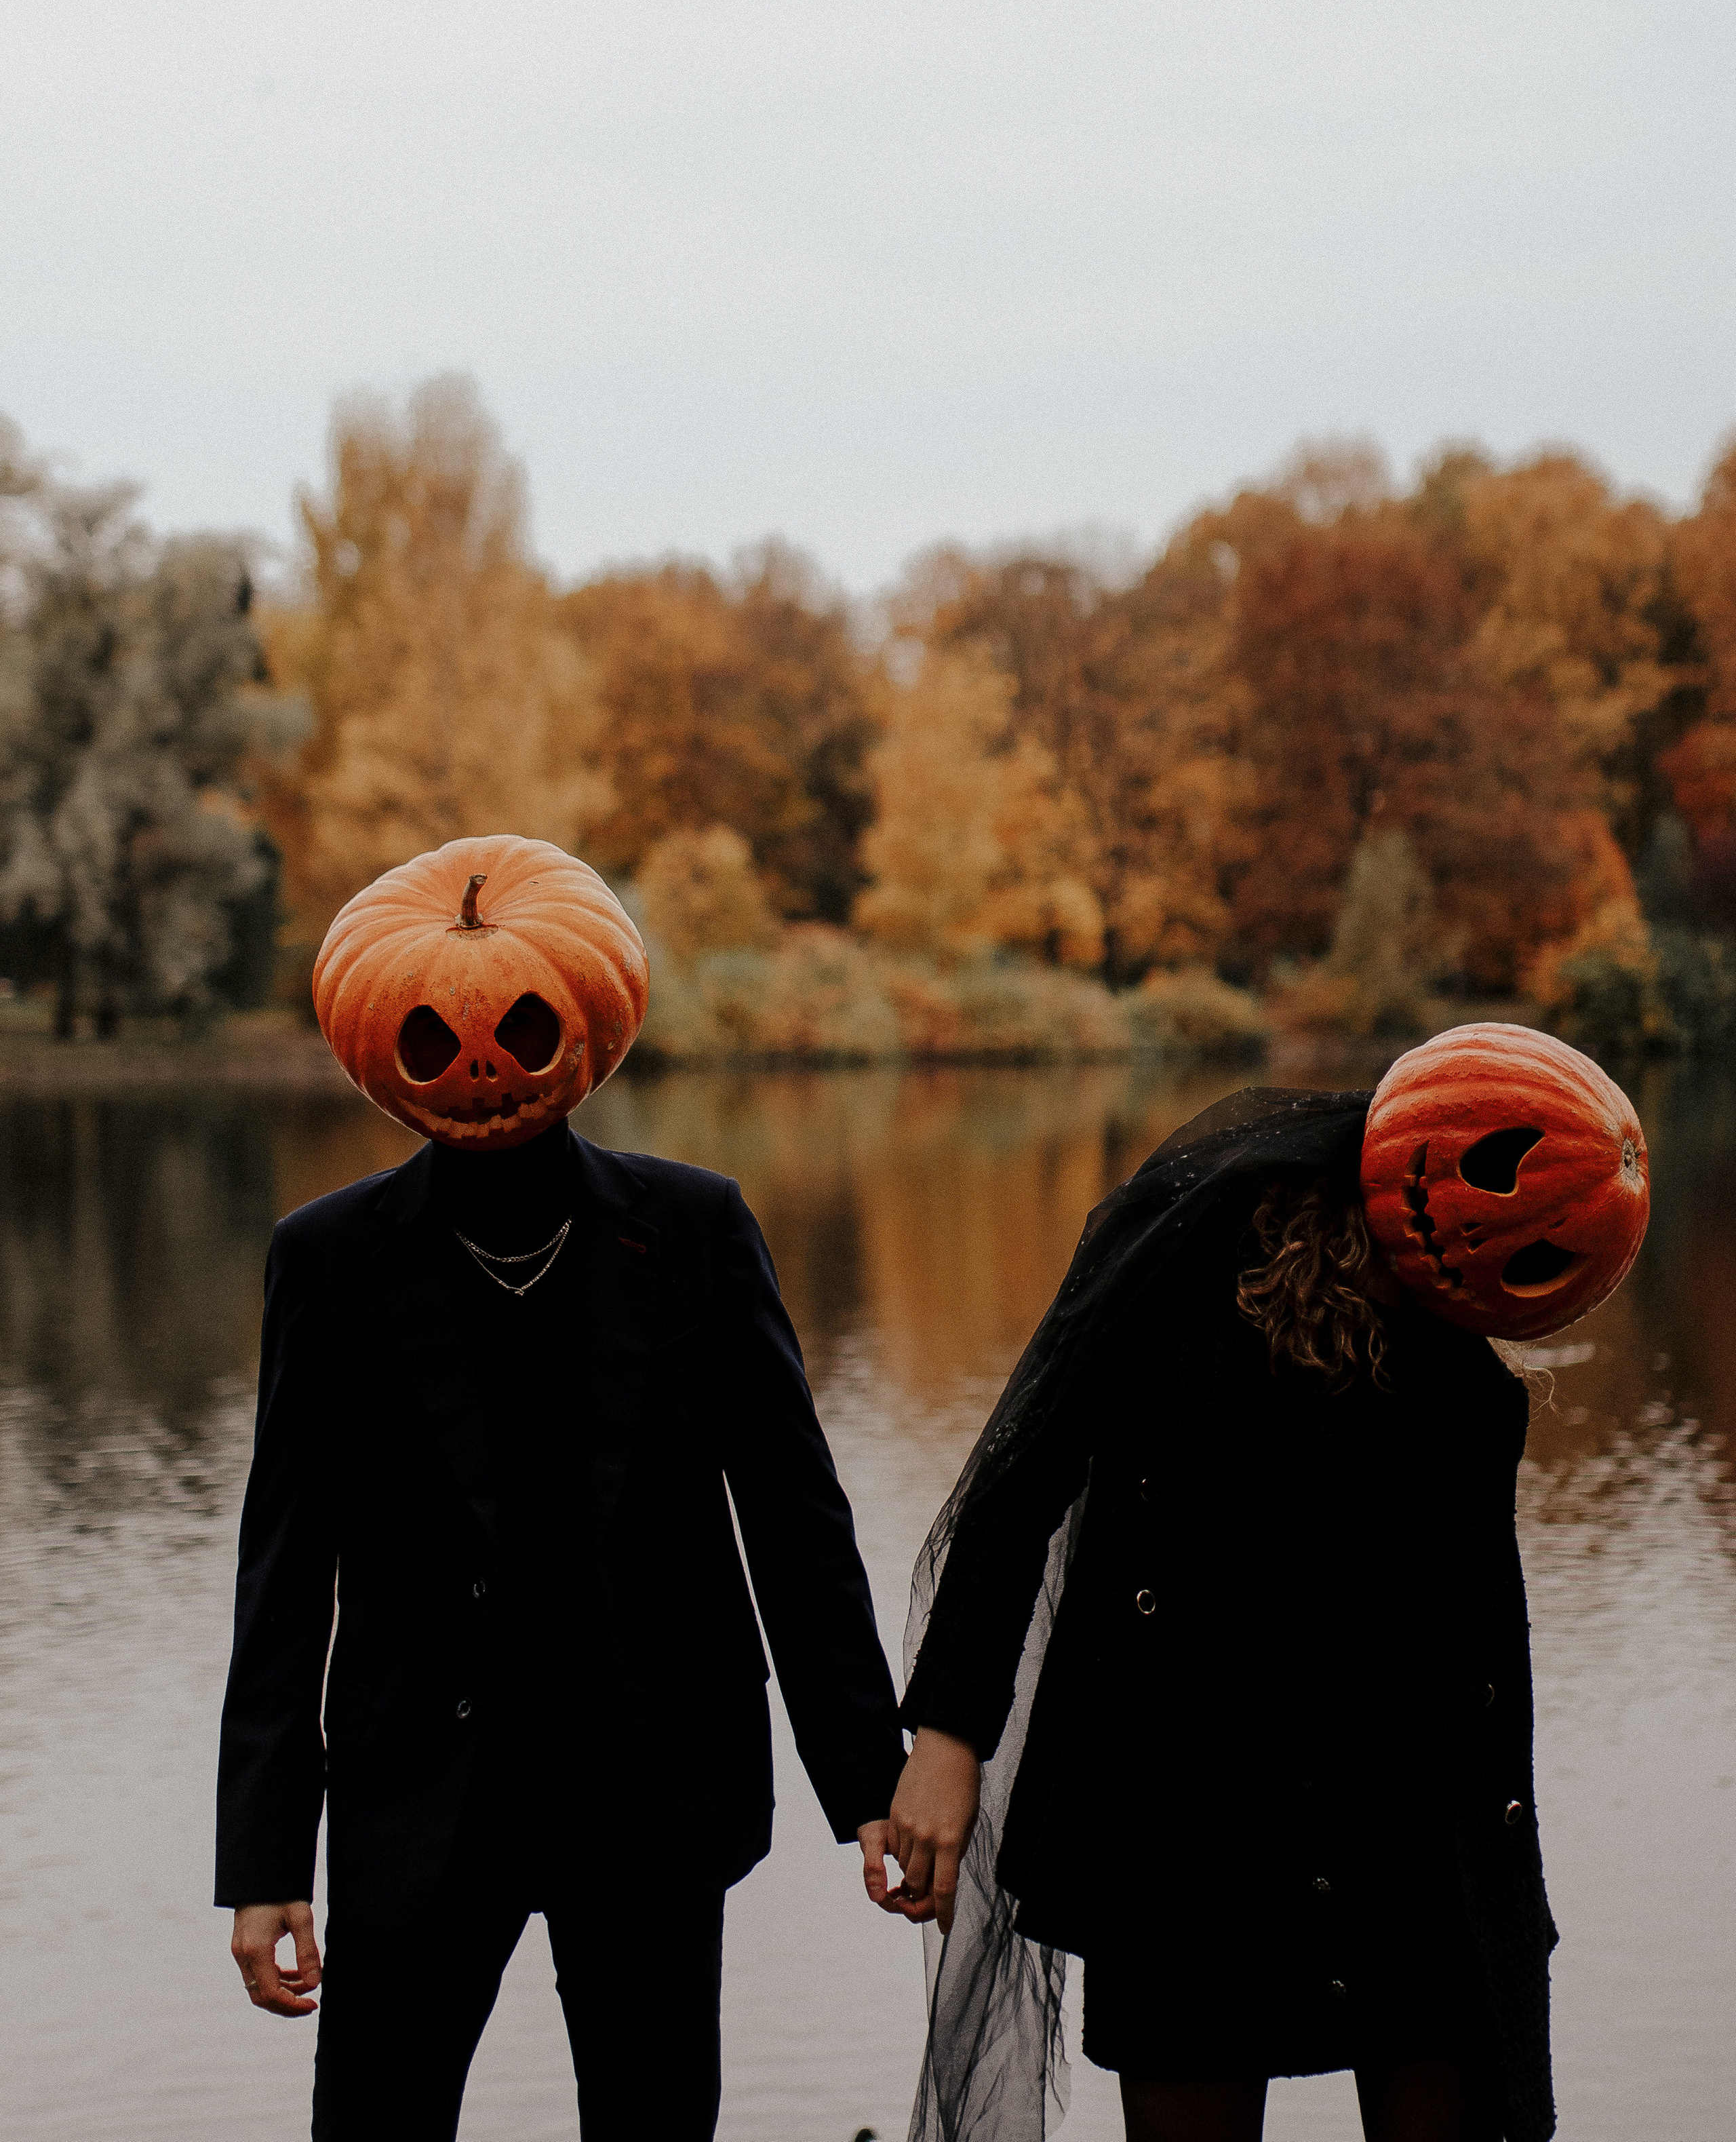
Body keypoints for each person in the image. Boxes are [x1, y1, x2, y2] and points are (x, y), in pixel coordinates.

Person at [217, 838, 906, 2141]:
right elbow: (285, 1572)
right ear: (381, 1050)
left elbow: (795, 1519)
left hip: (649, 1793)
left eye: (522, 1029)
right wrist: (263, 1860)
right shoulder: (328, 1260)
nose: (483, 1066)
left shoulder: (696, 1231)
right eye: (437, 1041)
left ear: (589, 1023)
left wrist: (869, 1775)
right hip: (418, 1801)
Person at [878, 1084, 1569, 2142]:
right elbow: (1018, 1487)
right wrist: (949, 1735)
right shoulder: (1186, 1275)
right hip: (1184, 1829)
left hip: (1411, 1839)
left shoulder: (1465, 1360)